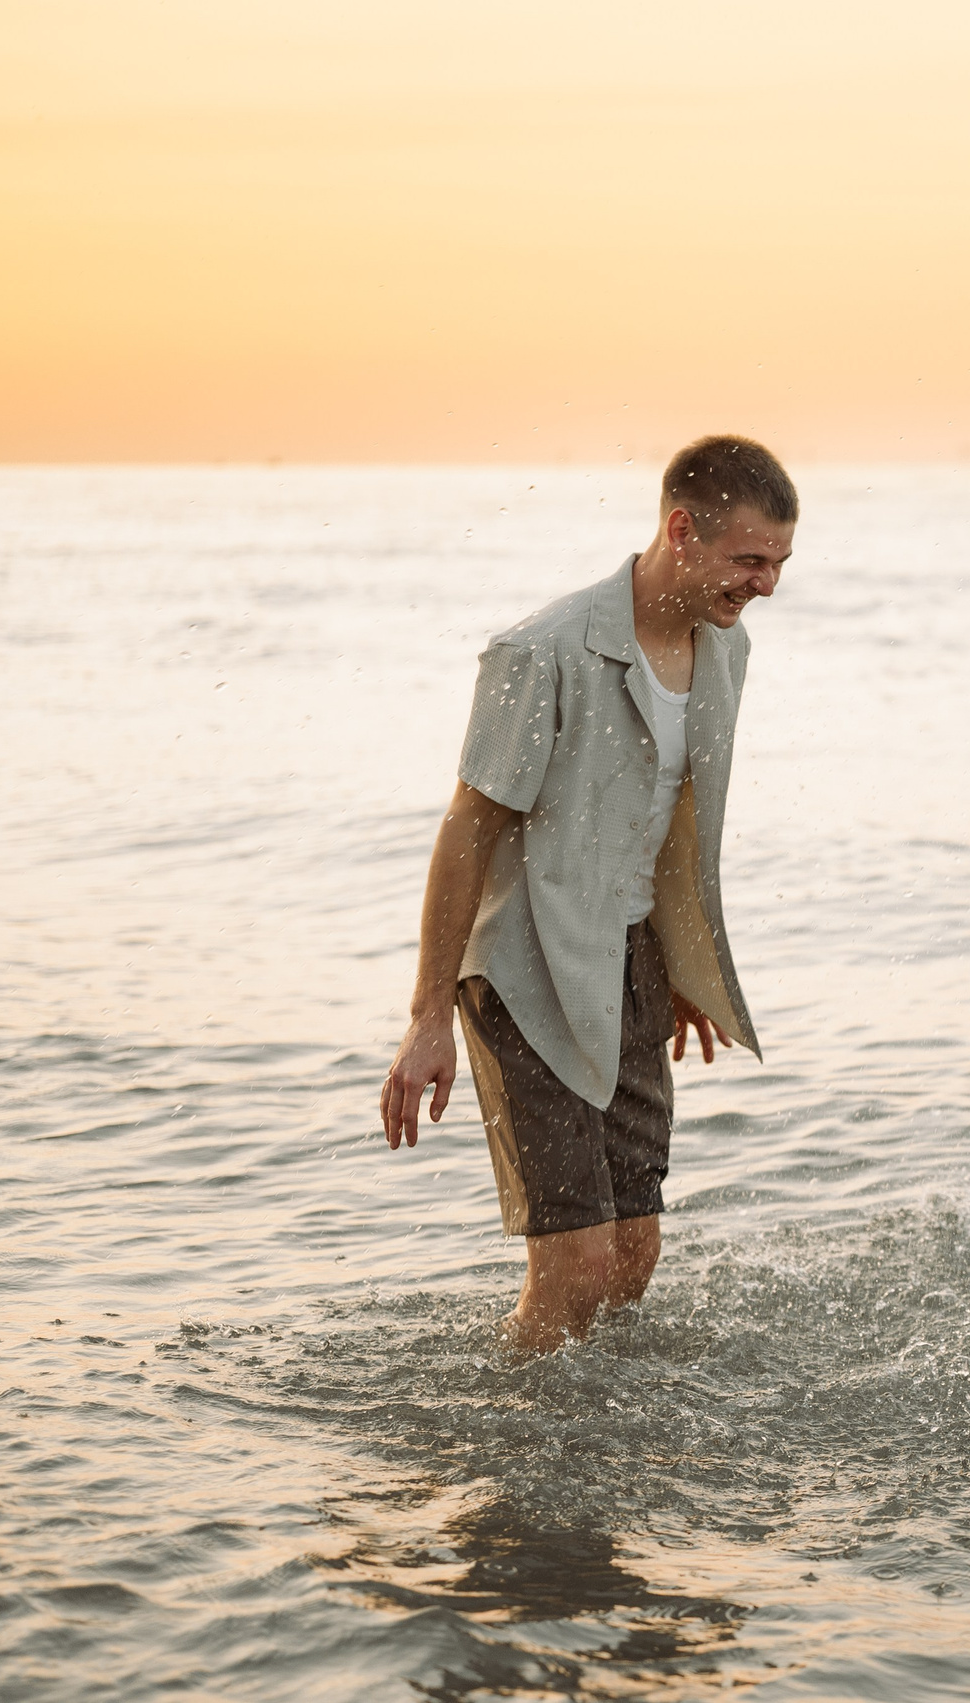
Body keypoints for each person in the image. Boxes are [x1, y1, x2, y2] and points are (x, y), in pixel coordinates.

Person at [379, 436, 797, 1351]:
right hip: (526, 970)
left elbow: (663, 817)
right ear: (682, 530)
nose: (765, 583)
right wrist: (427, 1017)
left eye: (779, 563)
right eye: (750, 560)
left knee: (634, 1254)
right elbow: (466, 833)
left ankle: (595, 1464)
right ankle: (512, 1451)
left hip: (635, 960)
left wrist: (679, 965)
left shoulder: (725, 651)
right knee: (573, 1268)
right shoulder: (543, 652)